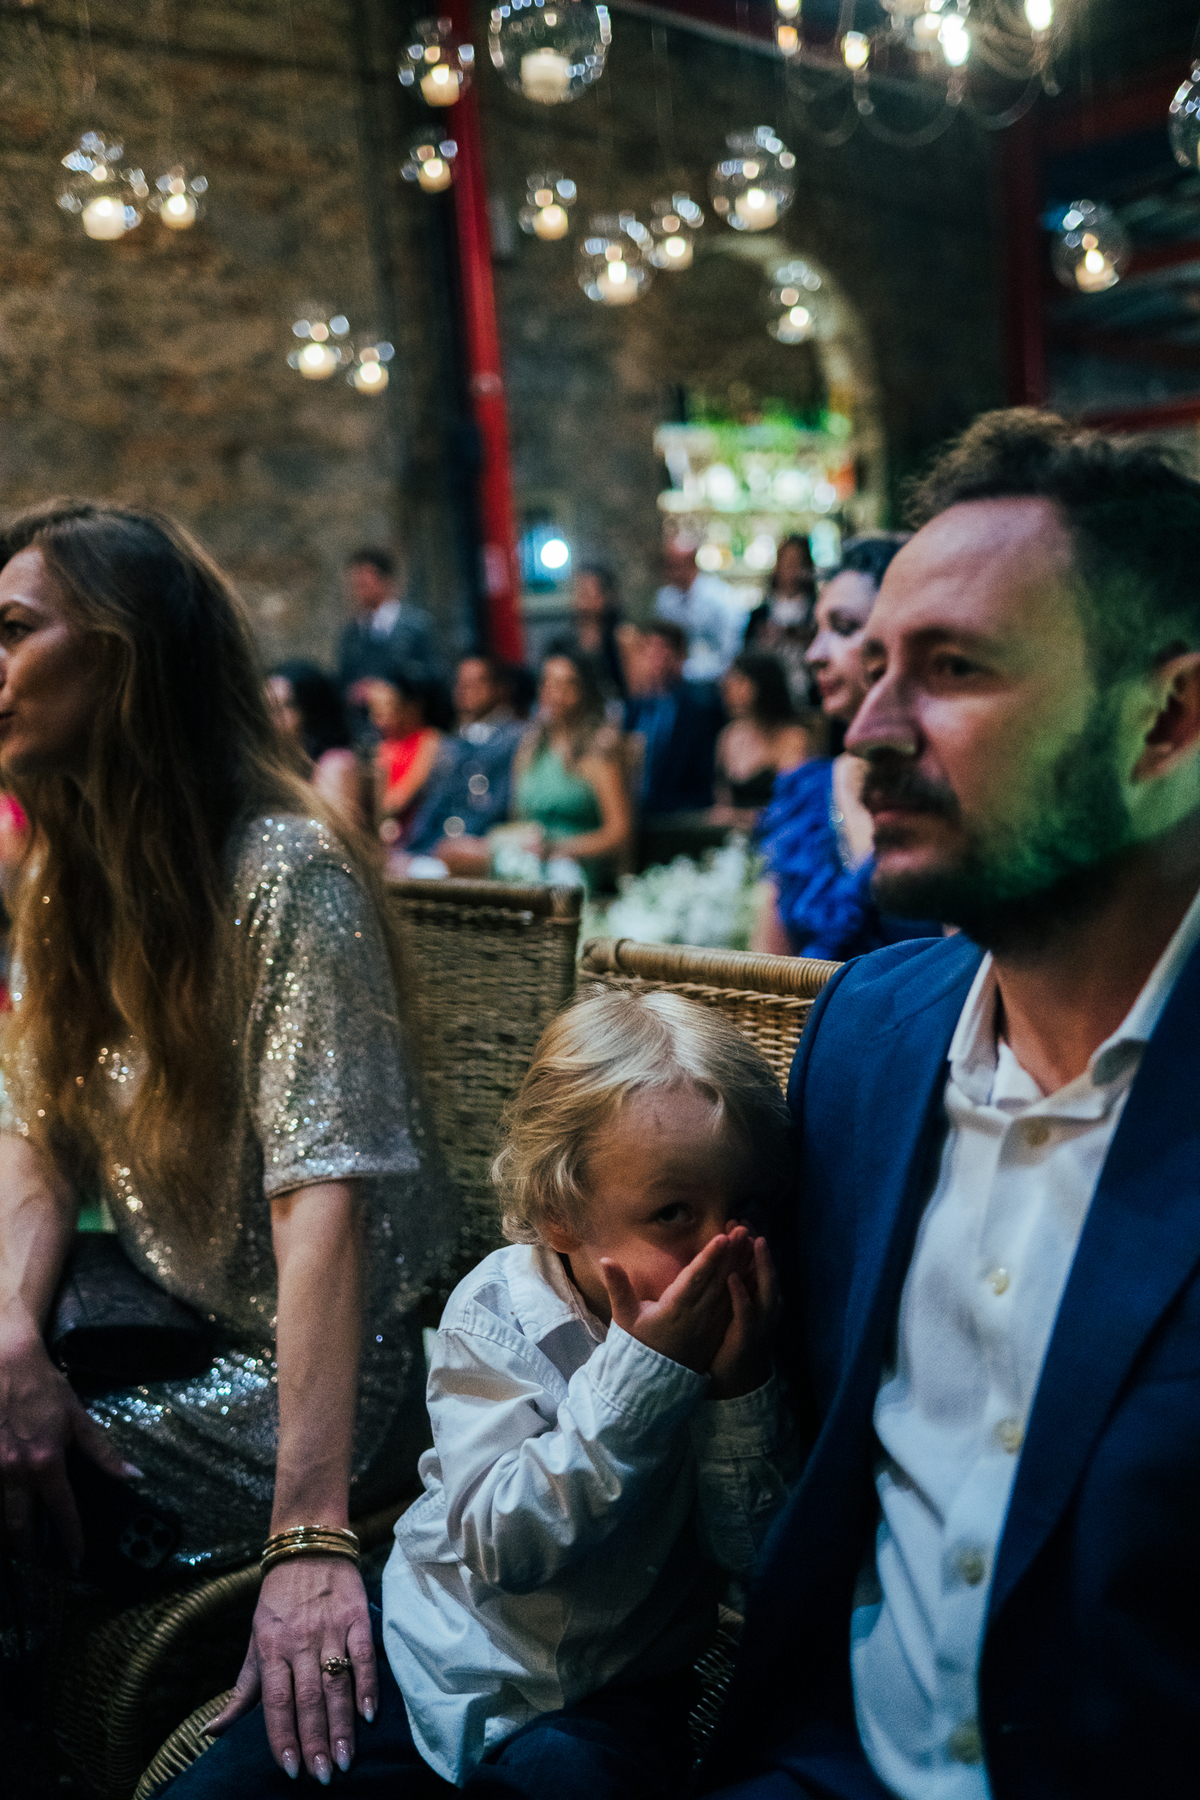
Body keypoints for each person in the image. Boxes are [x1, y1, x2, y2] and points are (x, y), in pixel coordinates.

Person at [701, 409, 1200, 1799]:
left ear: (1165, 721)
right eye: (870, 670)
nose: (865, 731)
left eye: (952, 669)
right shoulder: (864, 1038)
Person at [0, 502, 455, 1788]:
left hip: (323, 1378)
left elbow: (322, 1207)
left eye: (14, 629)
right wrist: (12, 1336)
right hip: (158, 1317)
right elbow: (35, 1139)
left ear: (127, 655)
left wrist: (310, 1537)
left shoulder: (283, 869)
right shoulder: (67, 876)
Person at [175, 987, 796, 1797]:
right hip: (427, 1657)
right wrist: (644, 1376)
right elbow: (504, 1546)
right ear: (559, 1215)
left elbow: (757, 1562)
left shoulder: (745, 1331)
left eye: (744, 1208)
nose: (722, 1246)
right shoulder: (500, 1311)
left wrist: (739, 1391)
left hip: (613, 1697)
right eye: (674, 1213)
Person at [752, 534, 939, 962]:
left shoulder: (945, 785)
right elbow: (764, 964)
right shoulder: (805, 794)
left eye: (844, 628)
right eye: (816, 631)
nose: (814, 655)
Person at [439, 652, 632, 890]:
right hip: (529, 852)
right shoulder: (530, 748)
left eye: (566, 684)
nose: (555, 693)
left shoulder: (597, 752)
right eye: (548, 683)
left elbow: (619, 834)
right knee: (452, 852)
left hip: (572, 860)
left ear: (584, 690)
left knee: (555, 876)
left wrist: (558, 848)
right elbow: (518, 819)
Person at [407, 654, 525, 854]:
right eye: (460, 683)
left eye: (476, 683)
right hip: (433, 846)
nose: (465, 689)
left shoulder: (517, 738)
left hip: (481, 847)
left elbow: (500, 805)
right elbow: (433, 805)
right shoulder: (450, 742)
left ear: (499, 688)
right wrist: (413, 849)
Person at [336, 548, 443, 737]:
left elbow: (434, 676)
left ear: (385, 581)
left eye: (364, 584)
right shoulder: (352, 633)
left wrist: (389, 688)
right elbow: (343, 680)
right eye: (355, 585)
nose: (358, 591)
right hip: (367, 730)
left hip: (408, 728)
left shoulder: (415, 626)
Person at [623, 621, 726, 815]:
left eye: (662, 649)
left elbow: (708, 771)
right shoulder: (634, 708)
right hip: (639, 811)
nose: (654, 657)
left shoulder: (702, 707)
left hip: (684, 811)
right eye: (646, 649)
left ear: (680, 655)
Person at [713, 653, 815, 823]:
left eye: (739, 681)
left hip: (782, 832)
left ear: (763, 684)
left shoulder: (793, 738)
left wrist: (738, 817)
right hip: (735, 835)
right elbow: (722, 804)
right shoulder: (728, 735)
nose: (727, 687)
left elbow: (794, 806)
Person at [266, 659, 367, 828]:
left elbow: (334, 835)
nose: (271, 718)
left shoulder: (335, 764)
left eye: (284, 706)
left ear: (311, 709)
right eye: (267, 708)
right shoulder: (277, 762)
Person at [364, 671, 449, 847]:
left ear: (412, 706)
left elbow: (402, 797)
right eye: (374, 707)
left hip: (415, 835)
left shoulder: (429, 740)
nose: (378, 715)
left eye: (389, 705)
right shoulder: (380, 745)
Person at [655, 537, 745, 682]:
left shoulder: (720, 600)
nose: (672, 572)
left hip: (713, 680)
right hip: (673, 679)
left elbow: (729, 653)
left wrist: (687, 669)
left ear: (692, 564)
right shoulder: (665, 599)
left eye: (677, 565)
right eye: (669, 566)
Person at [744, 535, 819, 709]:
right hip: (768, 699)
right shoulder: (759, 614)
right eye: (787, 563)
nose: (792, 571)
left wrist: (789, 634)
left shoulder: (818, 610)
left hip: (808, 695)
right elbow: (747, 654)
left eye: (798, 564)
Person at [548, 564, 626, 711]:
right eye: (578, 590)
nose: (581, 597)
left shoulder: (622, 638)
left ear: (608, 595)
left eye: (588, 591)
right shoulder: (559, 644)